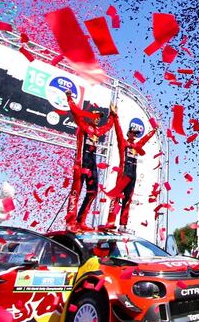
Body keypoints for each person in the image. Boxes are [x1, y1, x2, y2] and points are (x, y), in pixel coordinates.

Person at [65, 90, 114, 231]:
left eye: (100, 117)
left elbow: (109, 126)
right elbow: (74, 112)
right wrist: (69, 98)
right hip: (81, 163)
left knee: (93, 191)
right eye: (96, 116)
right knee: (76, 192)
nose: (98, 118)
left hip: (92, 163)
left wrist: (113, 115)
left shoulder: (98, 131)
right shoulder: (83, 125)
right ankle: (70, 222)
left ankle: (81, 221)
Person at [105, 110, 156, 229]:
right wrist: (115, 116)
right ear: (128, 133)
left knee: (128, 199)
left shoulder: (137, 146)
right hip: (123, 173)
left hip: (133, 174)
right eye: (132, 133)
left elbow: (145, 139)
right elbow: (117, 130)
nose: (134, 135)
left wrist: (154, 130)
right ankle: (110, 222)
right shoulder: (123, 143)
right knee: (117, 197)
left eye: (136, 133)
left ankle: (123, 224)